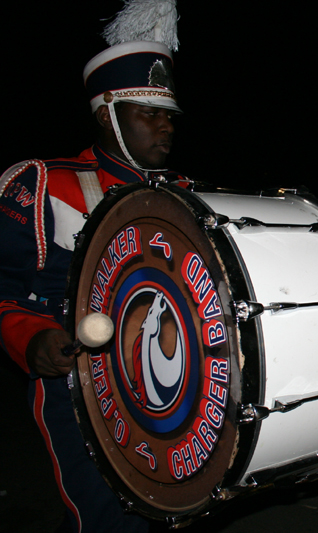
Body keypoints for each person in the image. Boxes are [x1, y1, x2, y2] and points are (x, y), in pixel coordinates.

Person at [0, 3, 182, 531]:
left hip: (168, 392)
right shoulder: (41, 186)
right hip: (82, 391)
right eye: (150, 113)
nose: (166, 125)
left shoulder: (183, 198)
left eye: (170, 114)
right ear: (108, 114)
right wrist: (29, 337)